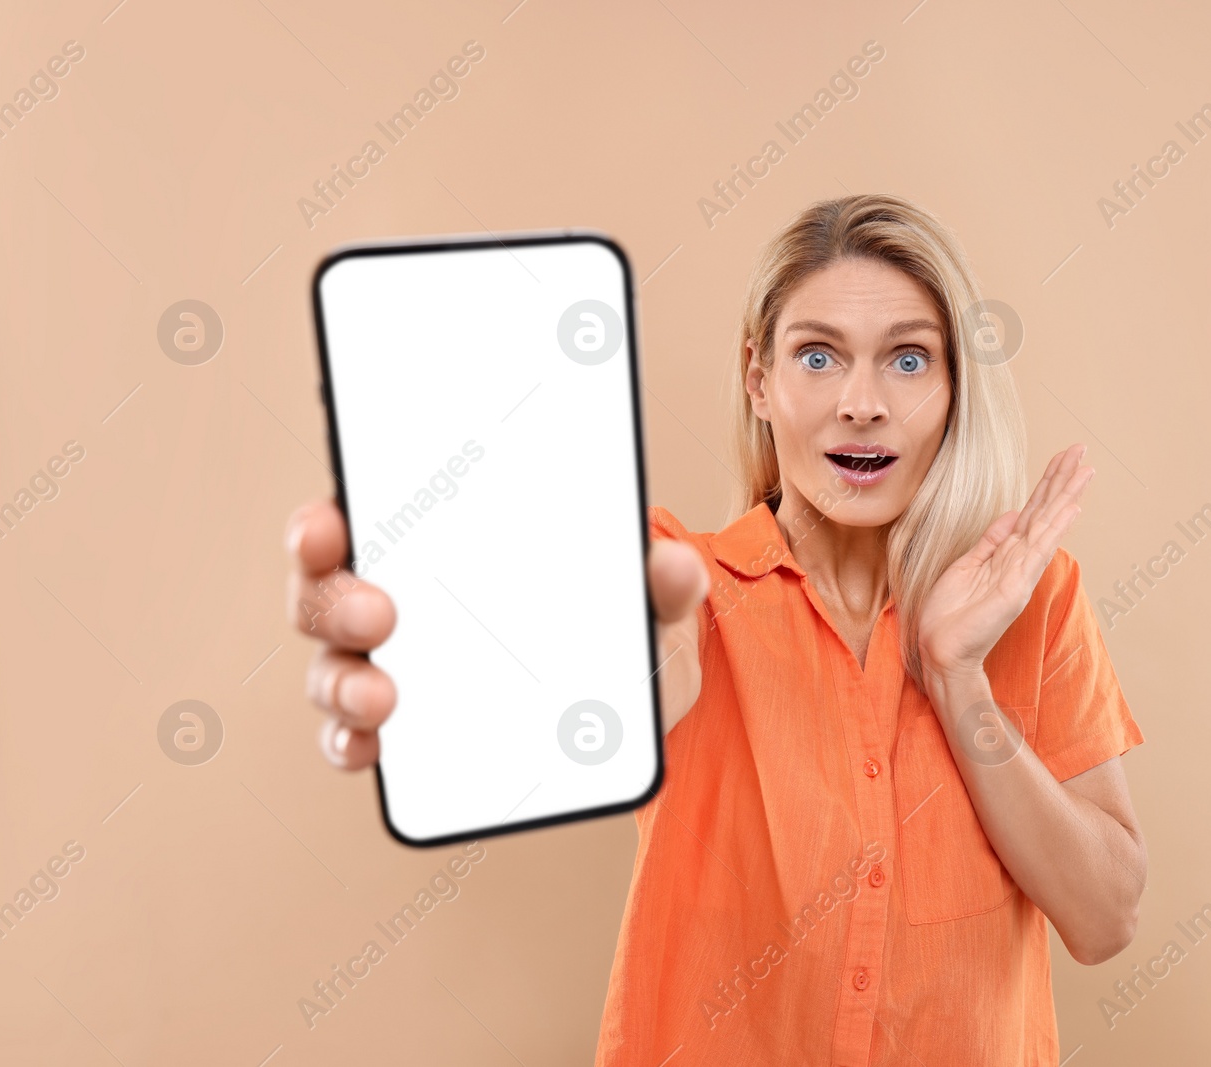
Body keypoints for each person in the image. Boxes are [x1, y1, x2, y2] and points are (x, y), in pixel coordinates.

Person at [285, 193, 1146, 1064]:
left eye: (908, 360)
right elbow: (623, 674)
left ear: (955, 385)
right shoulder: (679, 581)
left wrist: (959, 677)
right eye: (818, 355)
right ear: (758, 379)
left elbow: (1106, 915)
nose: (861, 402)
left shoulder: (1036, 602)